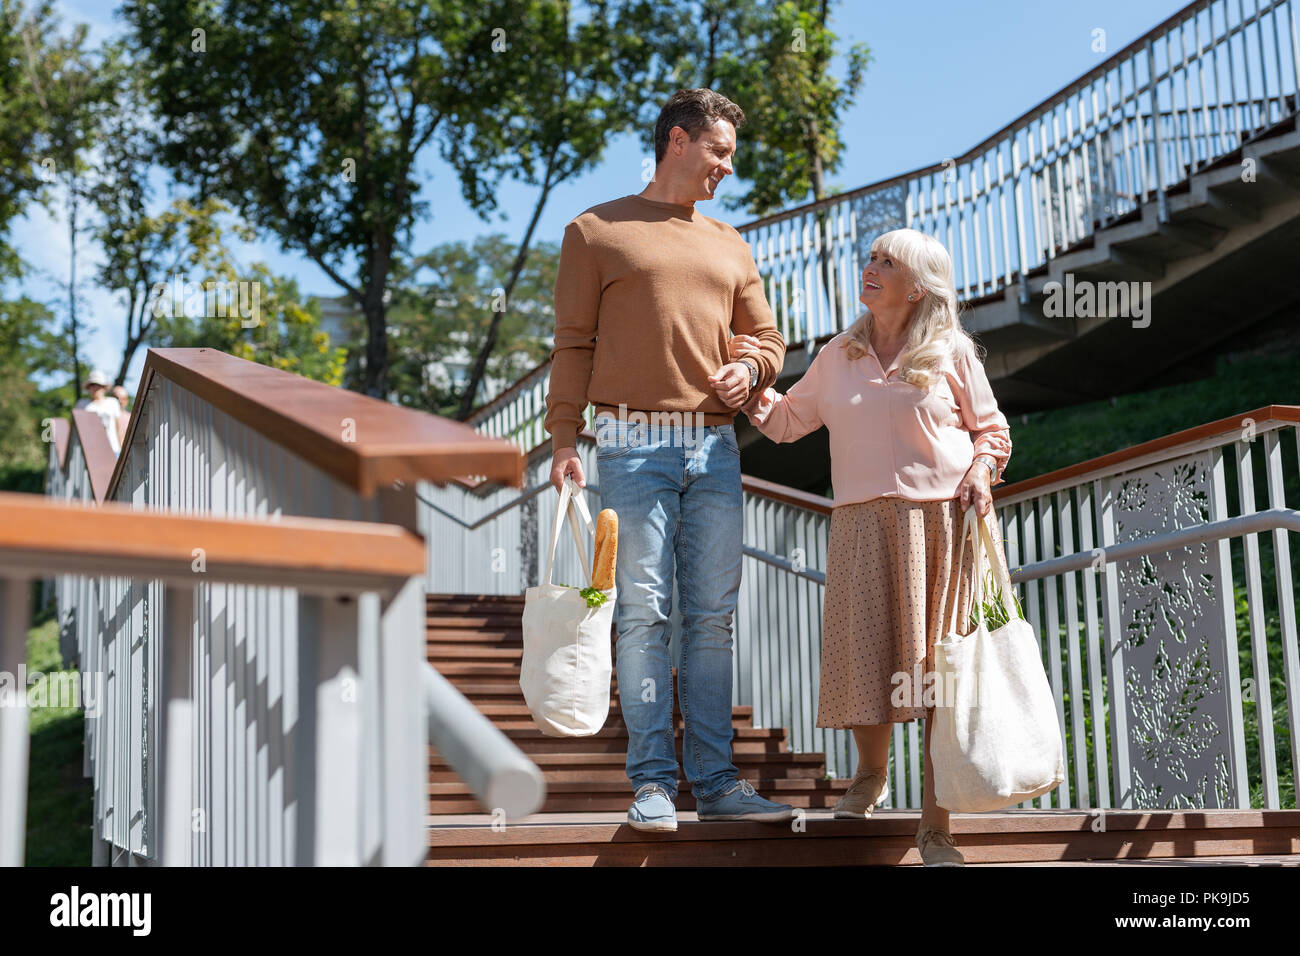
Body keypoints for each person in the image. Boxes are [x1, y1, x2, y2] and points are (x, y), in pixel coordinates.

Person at [544, 88, 792, 832]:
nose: (726, 168)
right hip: (626, 441)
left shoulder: (730, 242)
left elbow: (771, 341)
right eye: (718, 152)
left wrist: (752, 373)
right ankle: (653, 781)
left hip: (714, 445)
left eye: (731, 157)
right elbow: (572, 344)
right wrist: (563, 438)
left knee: (711, 619)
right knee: (644, 614)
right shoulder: (595, 232)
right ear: (677, 141)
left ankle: (716, 782)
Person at [729, 228, 1013, 866]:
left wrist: (977, 471)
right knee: (866, 656)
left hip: (940, 524)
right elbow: (788, 421)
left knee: (938, 674)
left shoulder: (952, 353)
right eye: (871, 258)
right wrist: (746, 381)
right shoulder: (839, 353)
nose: (871, 267)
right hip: (859, 525)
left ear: (918, 286)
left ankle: (936, 828)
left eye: (888, 262)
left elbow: (990, 430)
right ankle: (871, 774)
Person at [77, 369, 123, 456]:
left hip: (113, 449)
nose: (95, 388)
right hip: (90, 451)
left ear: (104, 387)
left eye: (98, 385)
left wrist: (122, 450)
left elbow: (118, 428)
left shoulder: (113, 403)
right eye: (92, 385)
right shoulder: (82, 404)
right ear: (88, 387)